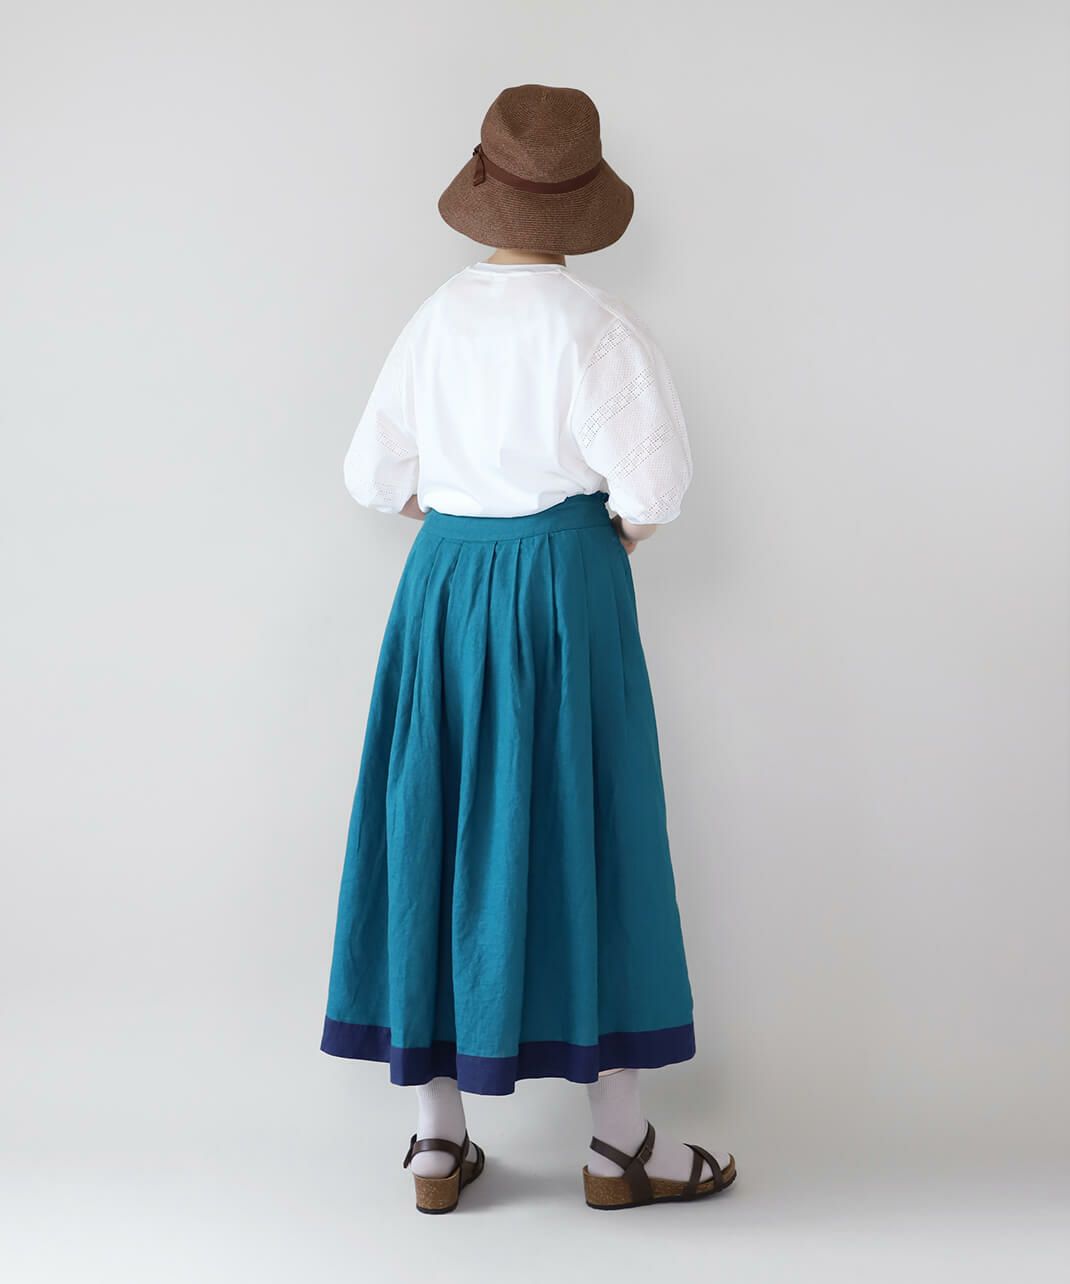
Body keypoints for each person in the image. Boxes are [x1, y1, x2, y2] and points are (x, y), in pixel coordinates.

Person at [321, 83, 735, 1213]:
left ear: (482, 188)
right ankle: (619, 1146)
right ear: (583, 203)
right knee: (591, 821)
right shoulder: (599, 328)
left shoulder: (433, 320)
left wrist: (466, 530)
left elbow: (372, 477)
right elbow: (653, 490)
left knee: (433, 818)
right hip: (567, 585)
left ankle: (435, 1142)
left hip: (444, 587)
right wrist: (584, 543)